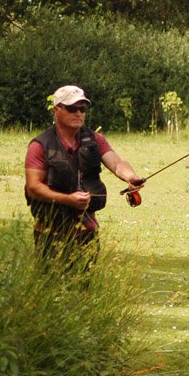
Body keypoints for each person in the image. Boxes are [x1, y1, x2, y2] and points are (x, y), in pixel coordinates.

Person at [24, 84, 144, 262]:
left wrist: (131, 176)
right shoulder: (40, 145)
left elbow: (117, 163)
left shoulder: (95, 140)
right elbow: (33, 188)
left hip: (87, 234)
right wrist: (68, 199)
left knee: (85, 288)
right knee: (52, 287)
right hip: (50, 235)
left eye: (82, 108)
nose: (78, 113)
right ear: (57, 110)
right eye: (72, 108)